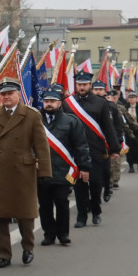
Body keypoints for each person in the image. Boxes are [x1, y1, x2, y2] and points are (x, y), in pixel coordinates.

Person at [0, 77, 52, 267]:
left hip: (23, 170)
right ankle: (4, 254)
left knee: (25, 214)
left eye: (10, 93)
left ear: (18, 94)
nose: (6, 97)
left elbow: (41, 145)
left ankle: (28, 247)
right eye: (3, 94)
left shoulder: (32, 115)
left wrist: (44, 171)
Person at [64, 72, 119, 227]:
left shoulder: (101, 103)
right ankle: (81, 217)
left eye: (85, 84)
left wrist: (114, 148)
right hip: (75, 151)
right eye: (79, 84)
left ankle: (96, 211)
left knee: (95, 183)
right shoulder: (68, 103)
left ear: (90, 85)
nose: (82, 87)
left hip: (95, 150)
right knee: (79, 185)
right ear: (76, 85)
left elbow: (108, 127)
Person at [38, 85, 91, 246]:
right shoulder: (35, 121)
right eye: (46, 101)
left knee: (62, 201)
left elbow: (81, 146)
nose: (49, 104)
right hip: (41, 171)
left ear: (60, 103)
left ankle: (63, 234)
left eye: (52, 101)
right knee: (44, 205)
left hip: (63, 170)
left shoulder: (71, 121)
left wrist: (84, 167)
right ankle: (49, 233)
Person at [124, 91, 138, 172]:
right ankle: (131, 166)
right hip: (128, 132)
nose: (131, 99)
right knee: (130, 150)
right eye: (130, 98)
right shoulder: (125, 108)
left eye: (133, 98)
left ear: (137, 99)